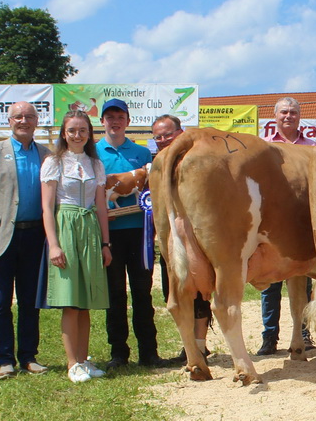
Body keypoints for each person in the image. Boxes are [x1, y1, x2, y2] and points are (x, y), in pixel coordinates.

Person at [0, 102, 51, 379]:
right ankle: (5, 360)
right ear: (9, 120)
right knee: (0, 301)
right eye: (18, 116)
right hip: (1, 236)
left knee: (30, 300)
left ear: (36, 121)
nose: (24, 121)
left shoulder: (46, 154)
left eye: (29, 116)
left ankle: (29, 357)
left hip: (35, 236)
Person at [40, 111, 112, 382]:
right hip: (66, 225)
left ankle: (84, 359)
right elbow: (47, 207)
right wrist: (54, 245)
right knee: (71, 300)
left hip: (90, 227)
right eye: (72, 130)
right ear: (63, 133)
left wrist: (105, 243)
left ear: (89, 134)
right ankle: (72, 363)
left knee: (86, 300)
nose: (77, 135)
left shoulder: (95, 164)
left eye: (83, 130)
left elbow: (102, 207)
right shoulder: (54, 162)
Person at [97, 99, 167, 369]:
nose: (115, 121)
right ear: (102, 122)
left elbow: (149, 189)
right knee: (114, 295)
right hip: (109, 234)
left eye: (120, 116)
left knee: (142, 293)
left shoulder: (141, 154)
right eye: (110, 117)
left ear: (127, 121)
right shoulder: (94, 152)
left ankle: (149, 352)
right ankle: (118, 353)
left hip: (139, 232)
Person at [258, 97, 316, 355]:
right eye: (284, 112)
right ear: (275, 116)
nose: (288, 116)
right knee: (269, 287)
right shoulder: (263, 148)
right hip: (272, 224)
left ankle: (302, 334)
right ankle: (269, 337)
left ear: (299, 116)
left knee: (302, 283)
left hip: (301, 221)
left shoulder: (312, 148)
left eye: (293, 112)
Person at [151, 114, 212, 363]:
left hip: (193, 233)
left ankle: (199, 344)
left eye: (168, 134)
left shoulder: (196, 162)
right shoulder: (153, 164)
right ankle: (188, 346)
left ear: (180, 132)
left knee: (200, 290)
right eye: (158, 136)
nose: (164, 140)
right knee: (174, 287)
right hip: (164, 236)